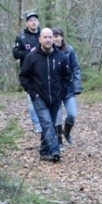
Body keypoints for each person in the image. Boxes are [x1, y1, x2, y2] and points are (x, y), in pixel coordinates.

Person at [19, 28, 71, 162]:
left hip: (55, 98)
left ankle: (43, 151)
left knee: (50, 124)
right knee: (47, 123)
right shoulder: (32, 57)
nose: (48, 40)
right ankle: (55, 150)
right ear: (40, 39)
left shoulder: (61, 57)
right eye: (45, 37)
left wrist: (62, 93)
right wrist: (32, 93)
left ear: (53, 39)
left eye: (50, 37)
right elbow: (24, 77)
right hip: (38, 97)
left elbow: (67, 77)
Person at [12, 11, 43, 134]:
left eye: (35, 19)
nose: (33, 22)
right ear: (27, 23)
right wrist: (29, 52)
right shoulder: (21, 38)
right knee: (32, 98)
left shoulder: (44, 34)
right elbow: (15, 54)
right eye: (31, 20)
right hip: (28, 72)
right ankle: (37, 123)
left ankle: (45, 120)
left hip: (43, 71)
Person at [52, 28, 82, 146]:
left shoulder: (69, 50)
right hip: (55, 89)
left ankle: (67, 132)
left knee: (72, 114)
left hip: (68, 88)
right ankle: (58, 140)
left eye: (58, 36)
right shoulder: (49, 52)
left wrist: (77, 85)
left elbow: (76, 68)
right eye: (53, 36)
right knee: (57, 117)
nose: (56, 38)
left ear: (62, 37)